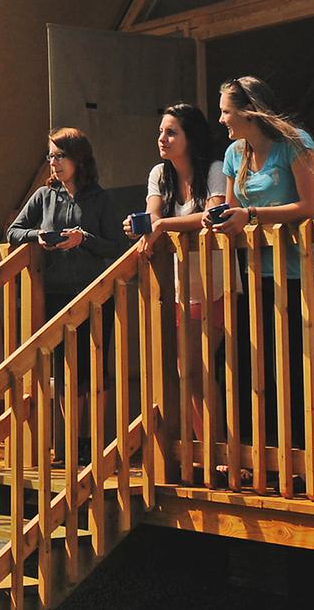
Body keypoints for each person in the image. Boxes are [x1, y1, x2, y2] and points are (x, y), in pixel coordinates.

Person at [209, 76, 314, 469]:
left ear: (249, 111)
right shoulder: (234, 153)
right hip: (255, 276)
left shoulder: (295, 142)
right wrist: (223, 219)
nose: (222, 118)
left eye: (227, 110)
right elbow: (232, 208)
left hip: (299, 275)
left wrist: (252, 215)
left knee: (299, 364)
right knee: (247, 361)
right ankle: (257, 453)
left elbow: (310, 208)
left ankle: (308, 457)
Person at [6, 127, 129, 466]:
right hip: (57, 294)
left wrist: (84, 238)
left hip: (94, 293)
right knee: (65, 373)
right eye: (51, 156)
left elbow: (116, 246)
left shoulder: (98, 197)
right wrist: (39, 236)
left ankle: (94, 442)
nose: (54, 163)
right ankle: (71, 444)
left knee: (94, 371)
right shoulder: (44, 197)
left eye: (60, 156)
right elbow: (13, 231)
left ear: (78, 158)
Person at [121, 103, 227, 454]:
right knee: (187, 371)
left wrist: (162, 225)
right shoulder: (159, 174)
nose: (162, 139)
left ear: (190, 137)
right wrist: (140, 227)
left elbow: (210, 215)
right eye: (161, 132)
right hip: (180, 286)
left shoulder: (213, 170)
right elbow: (152, 217)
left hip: (215, 281)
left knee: (202, 367)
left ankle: (221, 447)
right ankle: (208, 446)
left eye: (171, 132)